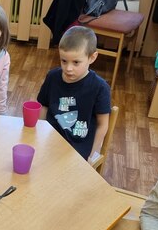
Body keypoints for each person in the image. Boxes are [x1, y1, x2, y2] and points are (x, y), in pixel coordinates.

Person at [37, 26, 110, 161]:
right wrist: (38, 134)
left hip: (78, 151)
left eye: (76, 62)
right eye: (64, 61)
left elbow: (102, 124)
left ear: (92, 57)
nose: (68, 68)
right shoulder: (52, 77)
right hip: (49, 142)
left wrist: (93, 155)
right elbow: (43, 106)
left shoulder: (100, 87)